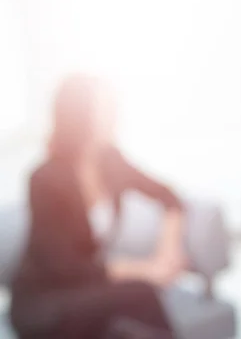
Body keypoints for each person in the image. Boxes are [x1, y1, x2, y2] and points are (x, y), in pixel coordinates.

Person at [10, 74, 188, 339]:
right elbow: (64, 266)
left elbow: (170, 197)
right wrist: (144, 269)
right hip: (45, 301)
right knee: (142, 294)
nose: (115, 116)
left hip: (90, 293)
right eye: (106, 108)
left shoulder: (110, 161)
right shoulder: (44, 179)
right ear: (80, 116)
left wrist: (168, 251)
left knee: (127, 329)